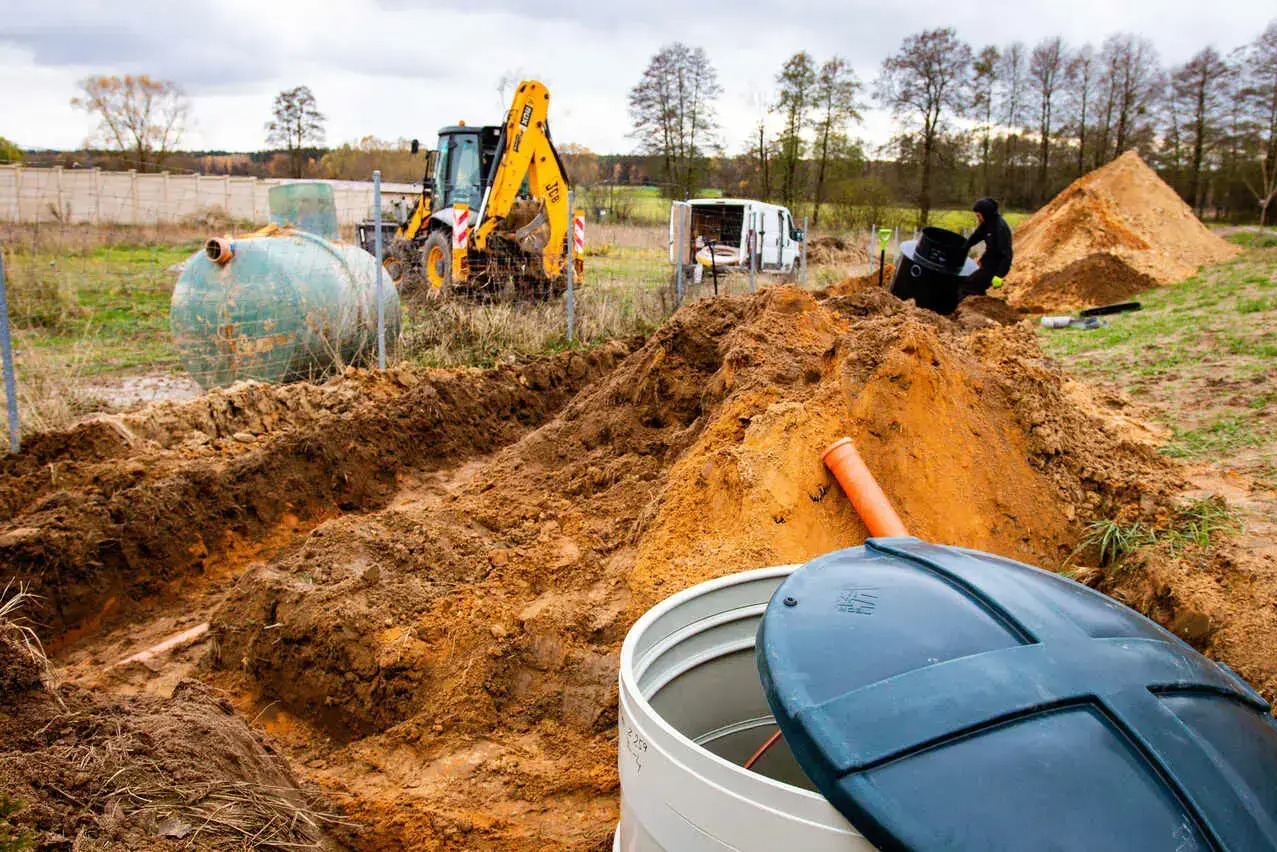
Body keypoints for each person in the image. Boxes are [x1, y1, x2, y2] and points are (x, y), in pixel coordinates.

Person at [962, 197, 1013, 297]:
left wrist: (999, 275)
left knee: (967, 285)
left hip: (996, 267)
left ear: (985, 213)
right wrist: (964, 247)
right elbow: (975, 237)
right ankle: (981, 303)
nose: (978, 219)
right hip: (988, 262)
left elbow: (1006, 254)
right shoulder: (986, 223)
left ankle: (970, 308)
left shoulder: (1000, 228)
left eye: (979, 216)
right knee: (974, 284)